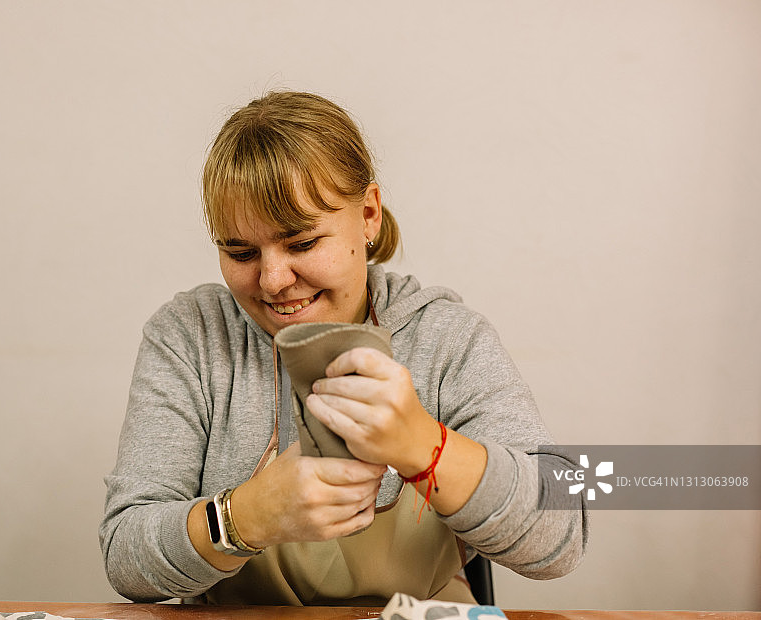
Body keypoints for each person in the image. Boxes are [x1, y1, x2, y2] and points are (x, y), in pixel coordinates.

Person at [99, 91, 587, 606]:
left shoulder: (448, 338)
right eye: (240, 251)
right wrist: (244, 517)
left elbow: (564, 533)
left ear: (369, 214)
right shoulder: (188, 337)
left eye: (302, 243)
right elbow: (126, 558)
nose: (272, 280)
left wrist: (423, 446)